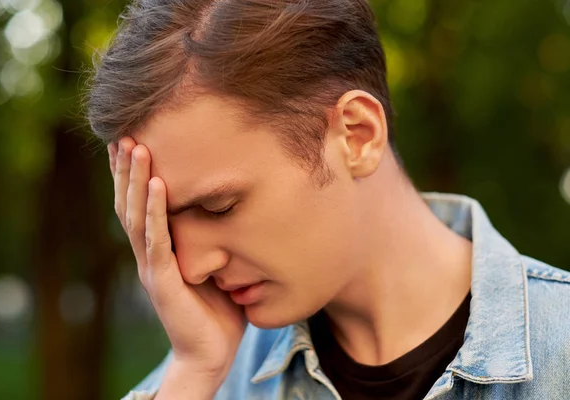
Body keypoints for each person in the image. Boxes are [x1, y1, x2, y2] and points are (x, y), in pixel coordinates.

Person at [87, 1, 570, 399]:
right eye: (166, 226)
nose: (190, 269)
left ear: (357, 136)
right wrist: (194, 376)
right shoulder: (210, 371)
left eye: (219, 207)